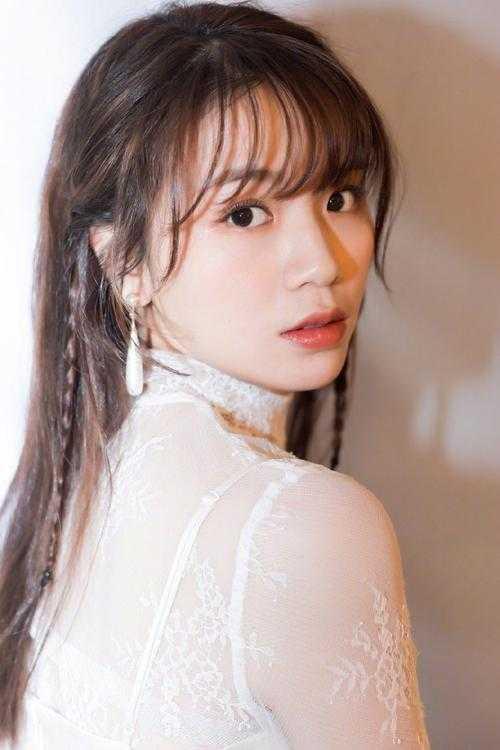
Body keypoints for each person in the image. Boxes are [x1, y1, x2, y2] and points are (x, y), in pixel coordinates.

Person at [0, 1, 431, 747]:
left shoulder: (84, 472)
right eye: (245, 214)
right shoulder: (305, 526)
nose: (323, 262)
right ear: (122, 261)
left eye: (338, 196)